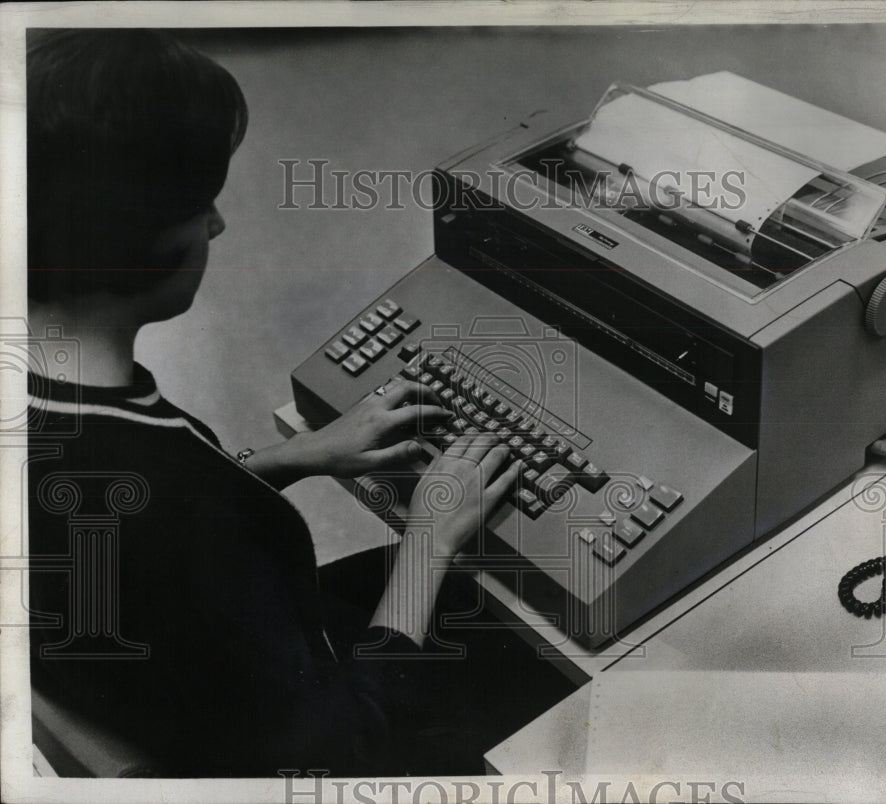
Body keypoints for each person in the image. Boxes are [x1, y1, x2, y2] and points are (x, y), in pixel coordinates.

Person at [26, 29, 570, 777]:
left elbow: (128, 525)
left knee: (506, 606)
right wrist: (429, 539)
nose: (216, 224)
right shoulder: (182, 514)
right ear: (138, 237)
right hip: (312, 746)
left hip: (177, 679)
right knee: (548, 625)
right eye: (198, 204)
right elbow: (341, 748)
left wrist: (285, 456)